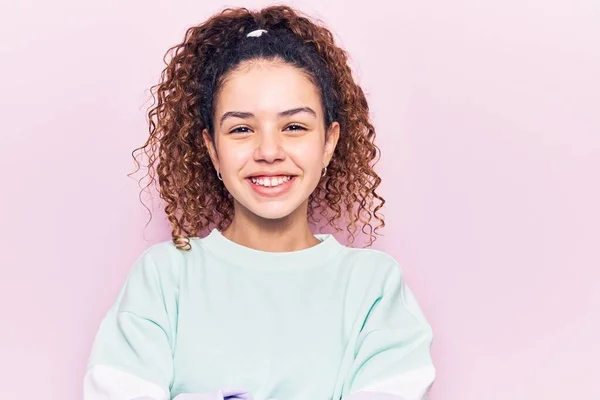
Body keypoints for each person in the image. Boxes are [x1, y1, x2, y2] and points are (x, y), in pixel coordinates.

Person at [84, 5, 435, 400]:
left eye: (294, 127)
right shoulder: (164, 279)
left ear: (329, 142)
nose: (269, 151)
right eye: (241, 129)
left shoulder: (374, 288)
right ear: (212, 149)